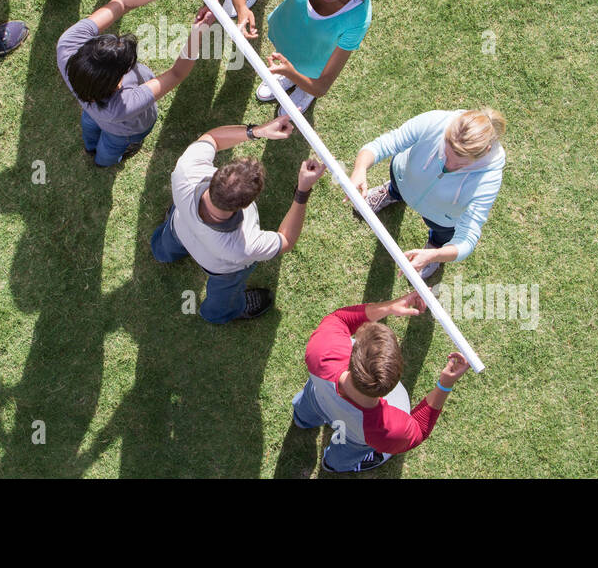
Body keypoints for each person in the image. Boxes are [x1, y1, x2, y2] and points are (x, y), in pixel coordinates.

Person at [150, 117, 325, 322]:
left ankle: (162, 252)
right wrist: (303, 191)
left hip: (179, 227)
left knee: (166, 242)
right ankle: (219, 313)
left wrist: (258, 131)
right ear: (244, 205)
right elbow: (286, 240)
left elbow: (211, 138)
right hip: (220, 269)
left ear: (217, 175)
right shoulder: (245, 245)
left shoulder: (186, 173)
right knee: (225, 295)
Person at [292, 293, 470, 473]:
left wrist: (389, 307)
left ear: (353, 353)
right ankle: (332, 465)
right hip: (356, 436)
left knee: (308, 405)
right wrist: (444, 384)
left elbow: (340, 319)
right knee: (349, 451)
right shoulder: (386, 429)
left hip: (318, 398)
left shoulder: (321, 353)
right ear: (391, 384)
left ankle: (302, 420)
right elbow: (419, 430)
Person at [198, 0, 373, 113]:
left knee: (309, 85)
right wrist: (243, 10)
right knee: (288, 63)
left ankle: (304, 90)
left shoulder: (359, 18)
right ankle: (289, 75)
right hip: (285, 34)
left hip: (313, 64)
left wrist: (292, 73)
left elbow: (322, 87)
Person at [57, 0, 205, 167]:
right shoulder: (124, 105)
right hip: (124, 131)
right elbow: (177, 73)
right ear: (117, 83)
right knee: (111, 148)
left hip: (90, 113)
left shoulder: (67, 46)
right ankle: (104, 162)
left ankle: (90, 147)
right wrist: (198, 32)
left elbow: (122, 3)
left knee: (89, 125)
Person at [347, 109, 507, 280]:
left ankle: (435, 246)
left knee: (442, 236)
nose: (449, 165)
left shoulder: (489, 178)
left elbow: (468, 237)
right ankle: (391, 192)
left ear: (485, 151)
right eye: (446, 153)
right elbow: (385, 144)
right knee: (396, 188)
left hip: (443, 218)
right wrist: (360, 168)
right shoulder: (435, 121)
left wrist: (436, 255)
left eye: (460, 164)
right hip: (403, 178)